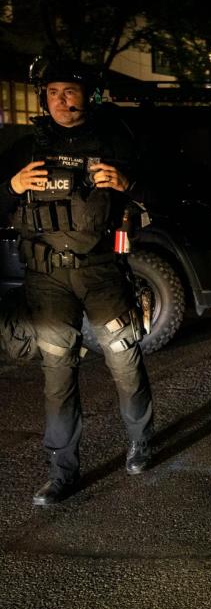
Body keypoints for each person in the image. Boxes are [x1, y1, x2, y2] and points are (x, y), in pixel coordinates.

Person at [0, 57, 154, 505]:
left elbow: (162, 196)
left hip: (101, 271)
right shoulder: (24, 148)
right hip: (46, 278)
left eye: (69, 91)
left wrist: (129, 183)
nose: (61, 101)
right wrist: (10, 186)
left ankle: (140, 442)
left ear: (88, 94)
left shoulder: (117, 141)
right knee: (57, 375)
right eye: (52, 92)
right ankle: (62, 471)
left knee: (124, 361)